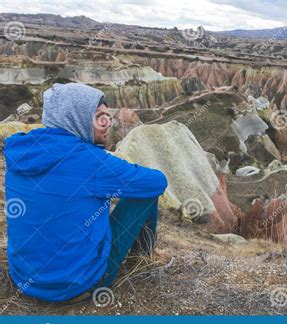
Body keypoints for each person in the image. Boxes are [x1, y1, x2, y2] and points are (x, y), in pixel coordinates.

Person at [3, 83, 168, 302]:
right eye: (99, 116)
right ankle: (142, 258)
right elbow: (157, 181)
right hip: (78, 287)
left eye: (108, 116)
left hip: (24, 279)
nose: (107, 123)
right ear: (76, 118)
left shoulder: (20, 152)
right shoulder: (91, 162)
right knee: (144, 195)